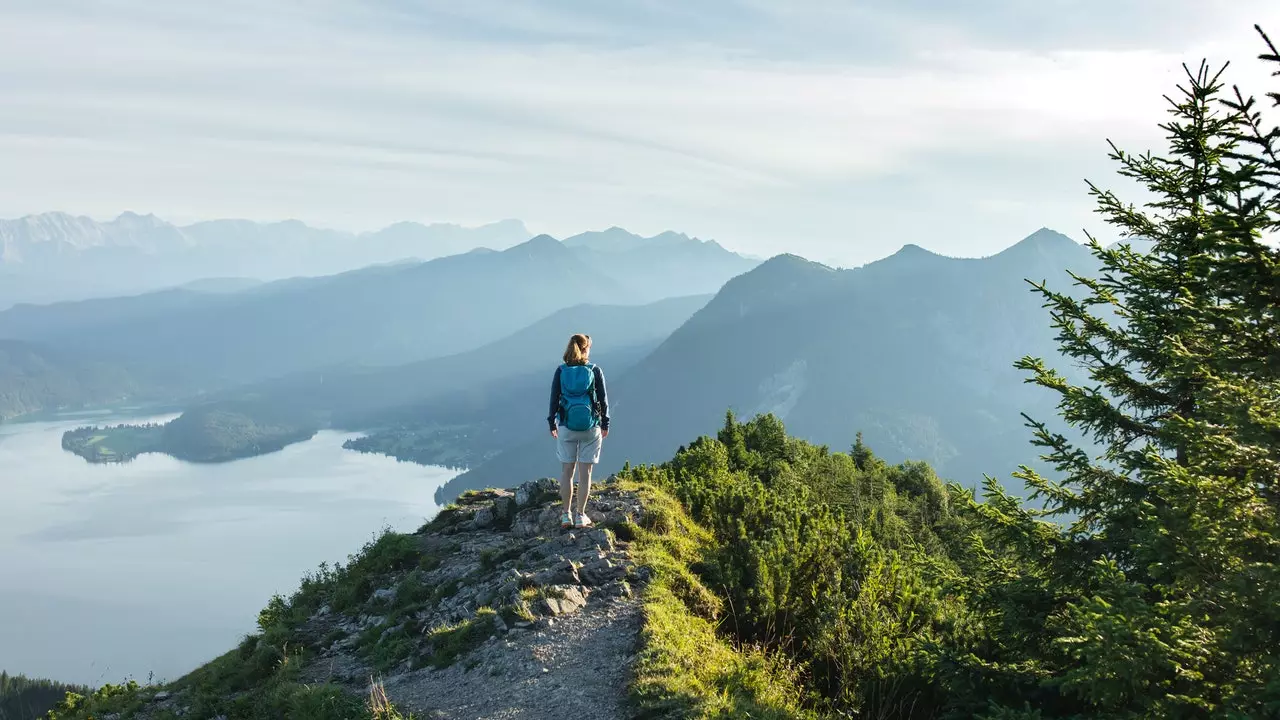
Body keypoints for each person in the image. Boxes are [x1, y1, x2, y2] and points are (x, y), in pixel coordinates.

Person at [548, 333, 609, 529]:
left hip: (566, 425)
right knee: (586, 473)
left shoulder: (561, 371)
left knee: (567, 472)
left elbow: (554, 399)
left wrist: (552, 423)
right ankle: (581, 515)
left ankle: (566, 515)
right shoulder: (594, 370)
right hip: (590, 427)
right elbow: (603, 400)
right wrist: (605, 423)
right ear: (586, 349)